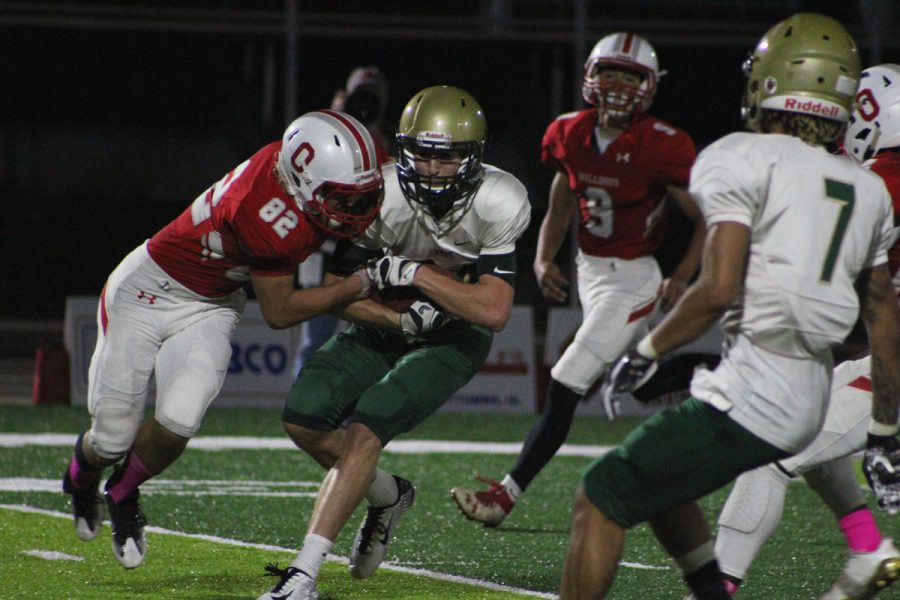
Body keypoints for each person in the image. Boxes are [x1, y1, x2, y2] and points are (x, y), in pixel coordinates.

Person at [559, 13, 900, 600]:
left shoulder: (741, 155)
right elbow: (881, 314)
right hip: (812, 380)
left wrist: (646, 351)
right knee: (670, 481)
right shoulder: (865, 188)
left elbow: (717, 290)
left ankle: (743, 583)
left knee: (601, 494)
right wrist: (885, 431)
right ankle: (865, 548)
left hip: (764, 386)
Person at [61, 110, 386, 569]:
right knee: (112, 439)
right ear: (299, 179)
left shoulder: (316, 169)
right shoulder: (265, 210)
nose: (354, 210)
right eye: (341, 198)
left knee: (179, 419)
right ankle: (80, 477)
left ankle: (122, 491)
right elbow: (280, 312)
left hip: (212, 303)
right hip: (146, 290)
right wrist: (357, 285)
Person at [256, 85, 531, 600]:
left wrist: (419, 276)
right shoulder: (378, 192)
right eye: (421, 154)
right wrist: (395, 319)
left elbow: (492, 311)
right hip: (384, 321)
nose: (430, 169)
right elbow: (334, 294)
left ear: (472, 158)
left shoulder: (501, 198)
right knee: (303, 417)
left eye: (444, 157)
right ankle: (388, 494)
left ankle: (303, 575)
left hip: (455, 334)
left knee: (365, 428)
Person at [450, 31, 705, 527]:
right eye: (610, 71)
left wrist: (680, 277)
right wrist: (545, 259)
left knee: (566, 381)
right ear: (590, 75)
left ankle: (504, 496)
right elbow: (564, 198)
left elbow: (705, 218)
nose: (617, 85)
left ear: (649, 86)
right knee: (628, 380)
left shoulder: (660, 145)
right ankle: (714, 377)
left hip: (634, 279)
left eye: (630, 76)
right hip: (591, 270)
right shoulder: (568, 133)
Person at [693, 63, 900, 600]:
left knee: (770, 449)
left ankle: (718, 592)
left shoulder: (888, 178)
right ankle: (868, 546)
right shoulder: (882, 174)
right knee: (806, 422)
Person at [293, 66, 393, 378]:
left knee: (360, 340)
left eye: (372, 97)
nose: (365, 104)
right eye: (360, 96)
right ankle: (300, 411)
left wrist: (375, 135)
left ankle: (350, 415)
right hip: (322, 250)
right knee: (315, 339)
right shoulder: (324, 132)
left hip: (362, 252)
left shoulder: (385, 142)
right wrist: (332, 121)